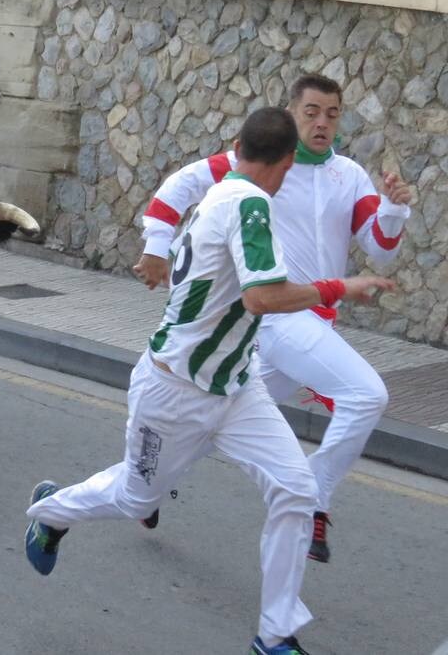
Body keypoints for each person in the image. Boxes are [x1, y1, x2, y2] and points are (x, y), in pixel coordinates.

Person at [25, 106, 396, 655]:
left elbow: (250, 293)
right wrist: (338, 287)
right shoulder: (248, 202)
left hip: (236, 390)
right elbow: (263, 298)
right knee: (135, 496)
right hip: (172, 392)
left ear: (237, 146)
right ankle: (50, 512)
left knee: (295, 490)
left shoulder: (223, 193)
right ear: (289, 161)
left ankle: (274, 636)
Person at [134, 74, 412, 563]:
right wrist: (156, 247)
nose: (322, 122)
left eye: (332, 113)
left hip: (307, 324)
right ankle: (314, 503)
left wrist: (392, 208)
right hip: (278, 317)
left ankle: (144, 486)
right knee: (367, 394)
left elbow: (381, 249)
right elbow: (178, 187)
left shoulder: (348, 175)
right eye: (312, 112)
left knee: (208, 424)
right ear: (292, 112)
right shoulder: (257, 166)